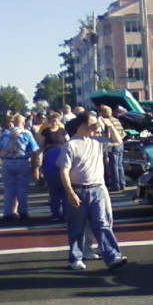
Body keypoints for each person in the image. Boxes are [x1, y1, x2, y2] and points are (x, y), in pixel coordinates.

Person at [59, 111, 128, 271]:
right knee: (77, 227)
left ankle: (113, 257)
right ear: (81, 125)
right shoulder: (70, 145)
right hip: (79, 189)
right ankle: (75, 258)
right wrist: (70, 193)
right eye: (92, 124)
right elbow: (64, 171)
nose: (95, 127)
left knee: (102, 223)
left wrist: (109, 125)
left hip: (97, 188)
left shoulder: (97, 141)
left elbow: (118, 141)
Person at [0, 114, 39, 220]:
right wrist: (33, 165)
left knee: (8, 189)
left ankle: (8, 212)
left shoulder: (5, 134)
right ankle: (23, 211)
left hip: (7, 161)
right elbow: (34, 149)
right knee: (22, 188)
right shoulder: (26, 133)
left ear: (14, 122)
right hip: (22, 161)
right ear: (23, 122)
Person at [100, 105, 126, 191]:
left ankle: (115, 185)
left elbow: (108, 135)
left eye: (101, 112)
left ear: (105, 113)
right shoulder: (116, 120)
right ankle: (122, 184)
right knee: (120, 165)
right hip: (121, 143)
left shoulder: (108, 122)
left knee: (113, 165)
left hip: (113, 144)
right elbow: (123, 133)